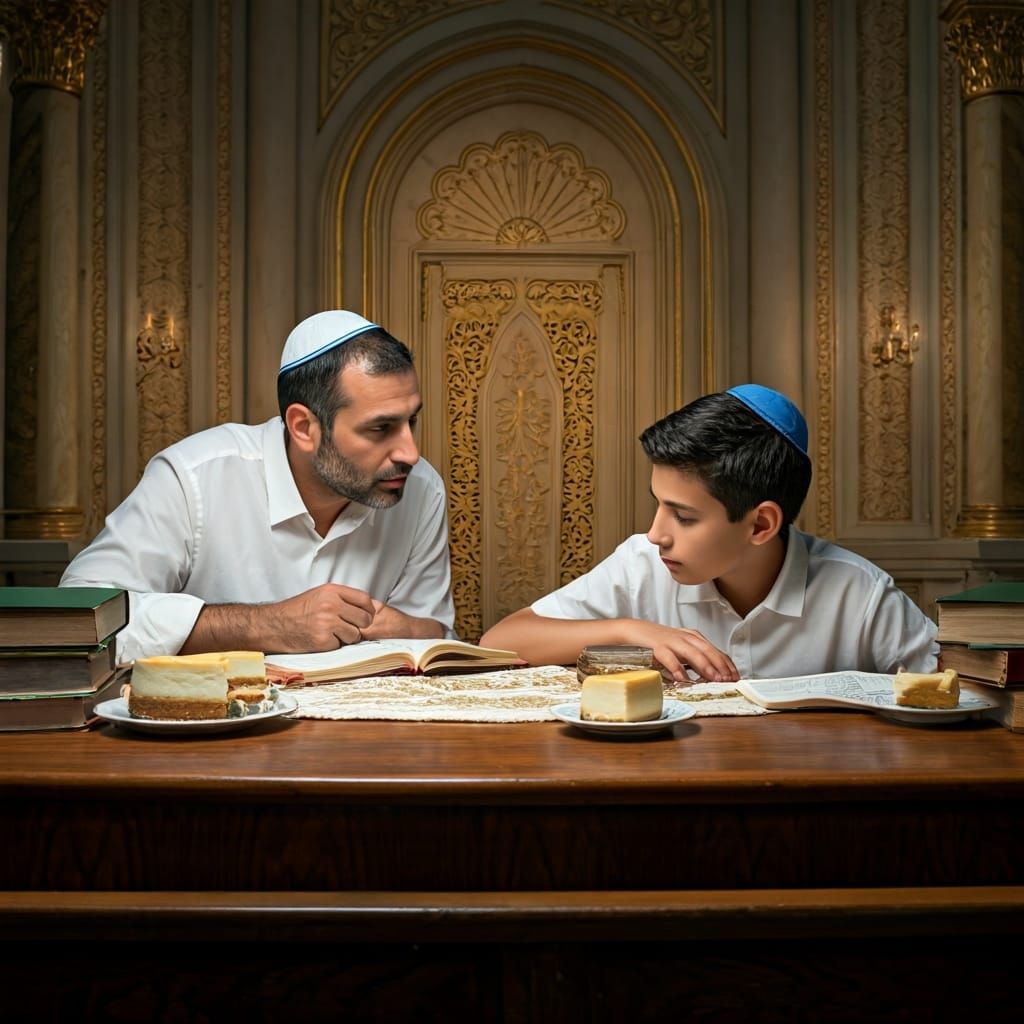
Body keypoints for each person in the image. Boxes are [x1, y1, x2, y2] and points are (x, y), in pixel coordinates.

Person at [61, 310, 455, 662]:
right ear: (304, 427)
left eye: (411, 421)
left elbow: (434, 641)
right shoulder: (194, 477)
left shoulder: (421, 490)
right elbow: (79, 615)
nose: (410, 453)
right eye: (381, 428)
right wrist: (268, 625)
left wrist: (411, 630)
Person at [480, 384, 938, 681]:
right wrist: (629, 631)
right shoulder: (642, 565)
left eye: (683, 516)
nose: (656, 534)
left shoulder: (859, 593)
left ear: (761, 524)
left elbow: (957, 691)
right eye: (658, 503)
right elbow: (500, 642)